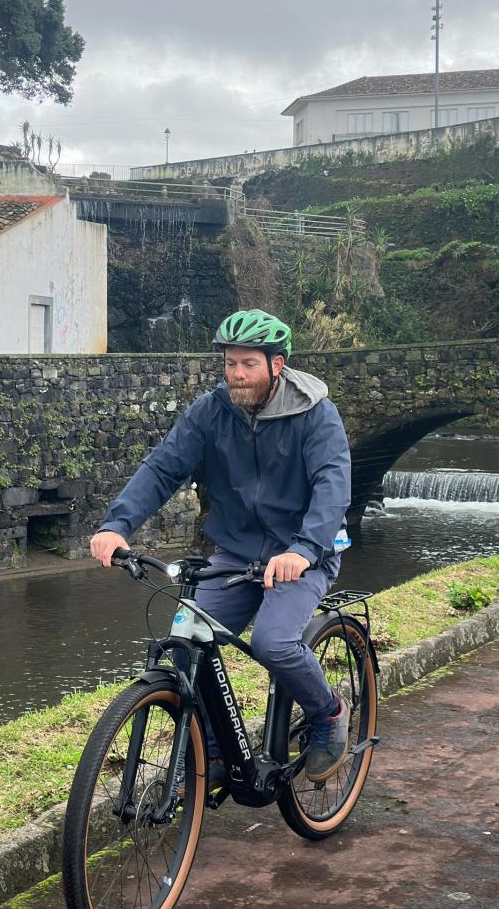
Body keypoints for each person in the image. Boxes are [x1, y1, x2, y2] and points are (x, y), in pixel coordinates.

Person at [91, 309, 354, 779]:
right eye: (230, 363)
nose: (236, 373)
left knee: (274, 644)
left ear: (277, 364)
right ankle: (212, 751)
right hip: (235, 552)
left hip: (304, 552)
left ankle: (328, 712)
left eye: (248, 363)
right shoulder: (212, 411)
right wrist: (117, 525)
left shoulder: (316, 415)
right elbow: (163, 468)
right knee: (183, 644)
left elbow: (332, 485)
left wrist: (303, 550)